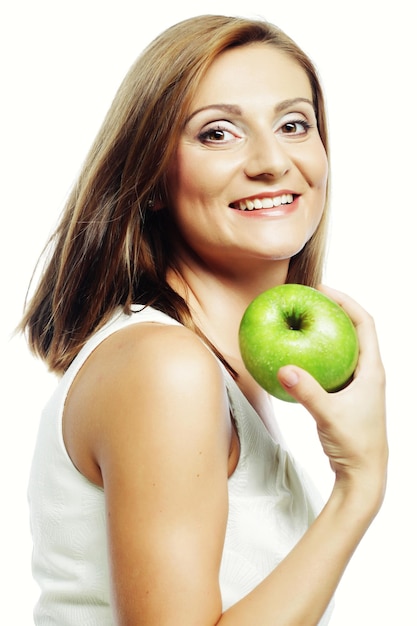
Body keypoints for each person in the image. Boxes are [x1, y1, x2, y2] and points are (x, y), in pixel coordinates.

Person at [20, 14, 388, 626]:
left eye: (294, 124)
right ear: (152, 180)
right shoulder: (166, 367)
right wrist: (359, 486)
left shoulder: (218, 370)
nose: (273, 162)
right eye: (218, 134)